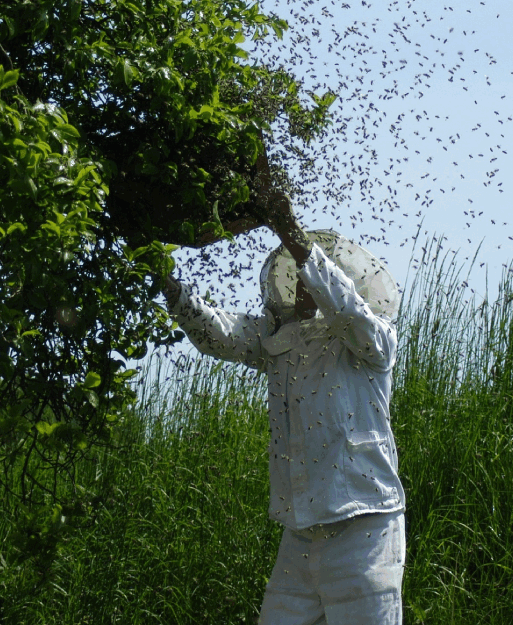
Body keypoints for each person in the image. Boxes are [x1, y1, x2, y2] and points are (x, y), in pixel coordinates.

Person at [159, 156, 406, 624]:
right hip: (300, 534)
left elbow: (348, 311)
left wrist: (287, 227)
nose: (302, 284)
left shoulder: (371, 341)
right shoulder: (279, 339)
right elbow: (217, 332)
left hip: (365, 532)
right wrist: (165, 280)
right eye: (296, 275)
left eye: (310, 273)